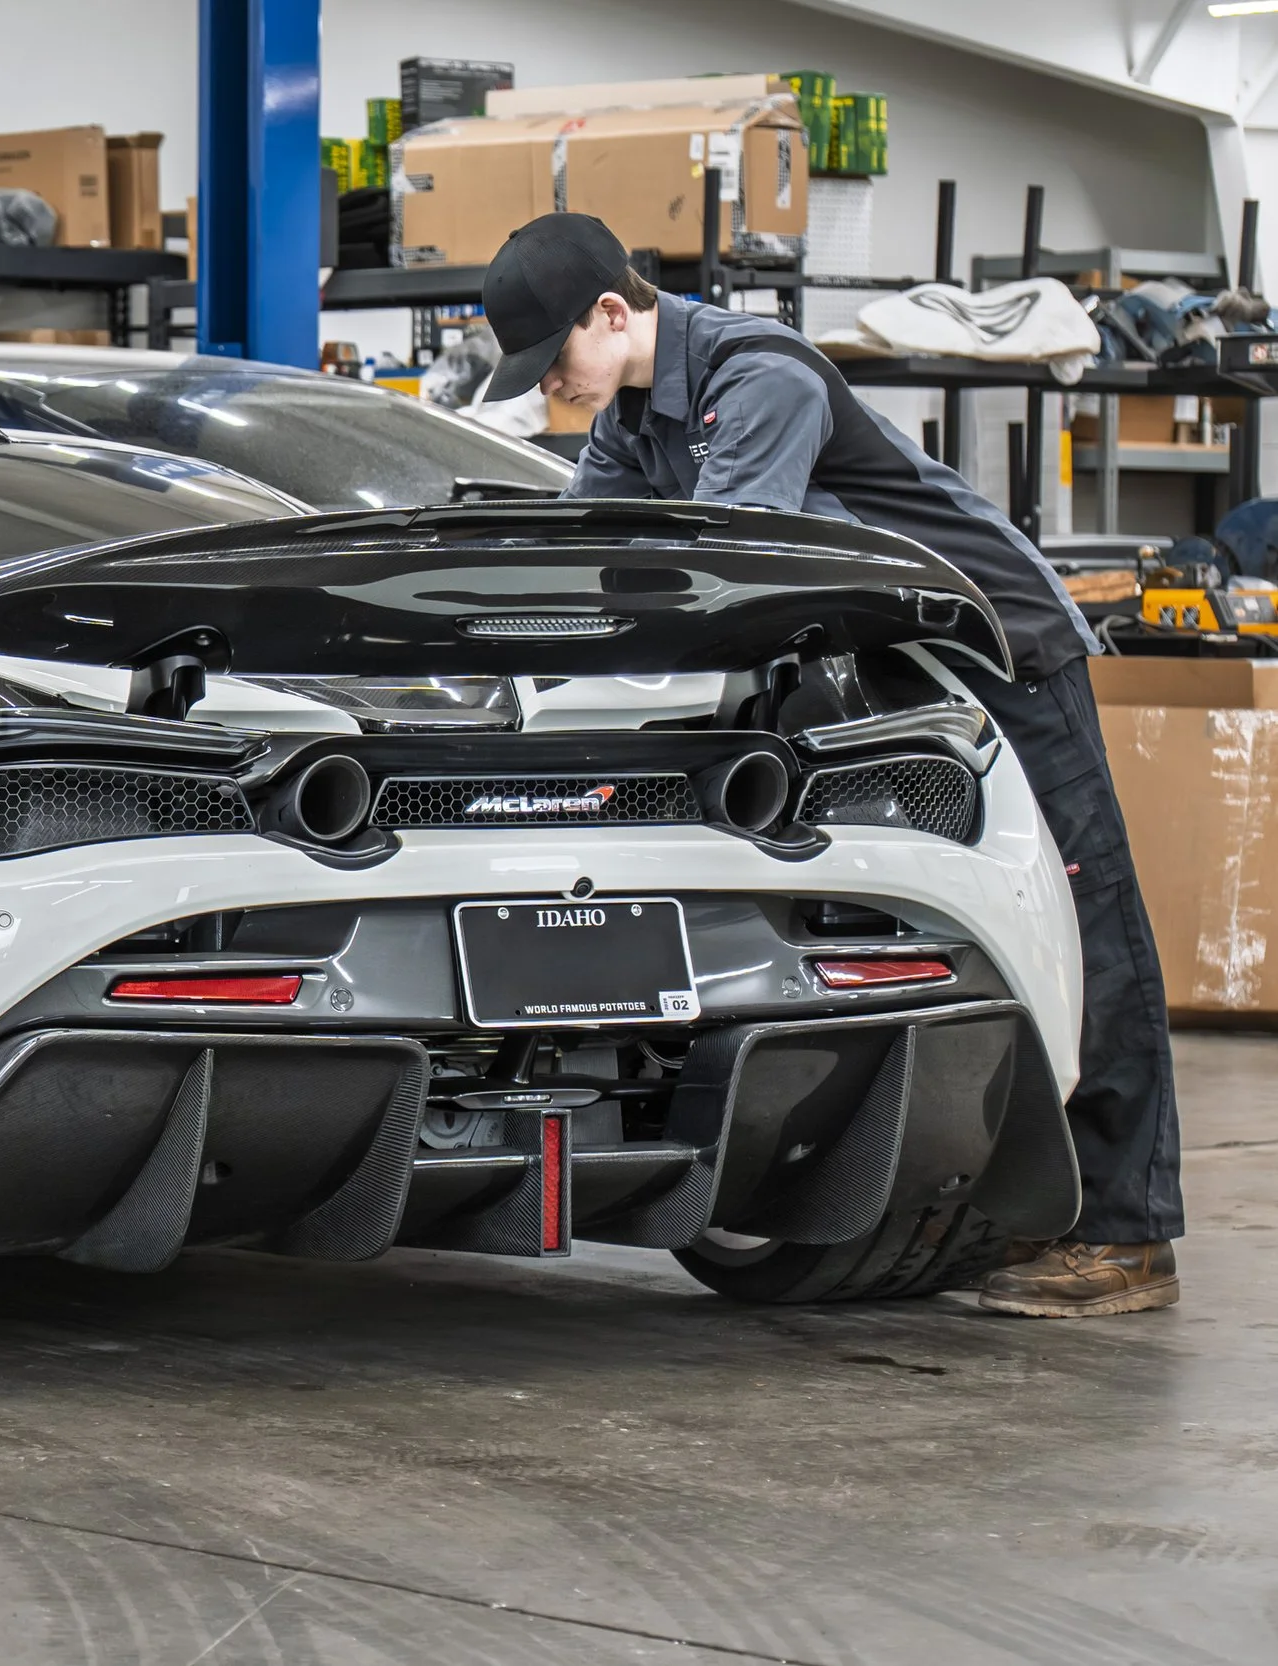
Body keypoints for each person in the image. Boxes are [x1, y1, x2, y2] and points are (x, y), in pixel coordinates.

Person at [478, 212, 1183, 1317]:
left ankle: (1130, 1236)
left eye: (555, 357)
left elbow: (735, 572)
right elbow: (598, 558)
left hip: (997, 654)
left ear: (611, 313)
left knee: (1084, 922)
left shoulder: (761, 379)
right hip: (889, 673)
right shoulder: (626, 416)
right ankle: (1016, 1213)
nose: (554, 385)